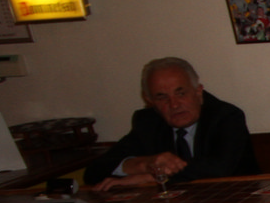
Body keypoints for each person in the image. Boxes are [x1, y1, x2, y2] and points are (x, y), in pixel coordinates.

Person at [85, 58, 259, 189]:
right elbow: (94, 172)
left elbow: (219, 168)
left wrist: (153, 177)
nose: (174, 105)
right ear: (149, 101)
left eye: (181, 93)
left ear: (198, 91)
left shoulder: (226, 116)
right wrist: (145, 164)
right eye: (162, 97)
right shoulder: (147, 122)